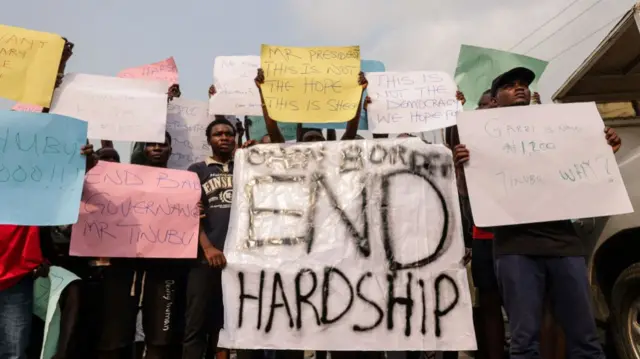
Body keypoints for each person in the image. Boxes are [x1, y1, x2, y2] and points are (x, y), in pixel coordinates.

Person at [453, 67, 620, 359]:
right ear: (493, 100)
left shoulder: (557, 129)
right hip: (514, 249)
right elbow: (470, 198)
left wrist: (603, 149)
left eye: (523, 85)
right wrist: (462, 166)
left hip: (564, 245)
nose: (519, 88)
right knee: (524, 341)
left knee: (585, 339)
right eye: (509, 86)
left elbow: (587, 173)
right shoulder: (480, 140)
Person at [96, 133, 187, 359]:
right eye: (151, 144)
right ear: (142, 149)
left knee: (160, 336)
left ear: (171, 148)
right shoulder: (124, 179)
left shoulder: (184, 182)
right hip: (124, 268)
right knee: (114, 335)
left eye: (162, 144)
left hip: (163, 270)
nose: (156, 148)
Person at [1, 143, 93, 359]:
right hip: (17, 278)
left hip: (15, 278)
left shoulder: (32, 185)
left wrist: (83, 161)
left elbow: (67, 184)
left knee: (13, 351)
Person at [182, 117, 256, 359]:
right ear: (209, 140)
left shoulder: (245, 167)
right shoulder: (197, 170)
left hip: (240, 259)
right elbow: (191, 214)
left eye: (228, 134)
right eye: (218, 134)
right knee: (197, 323)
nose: (224, 137)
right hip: (206, 258)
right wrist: (208, 248)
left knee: (230, 323)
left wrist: (256, 157)